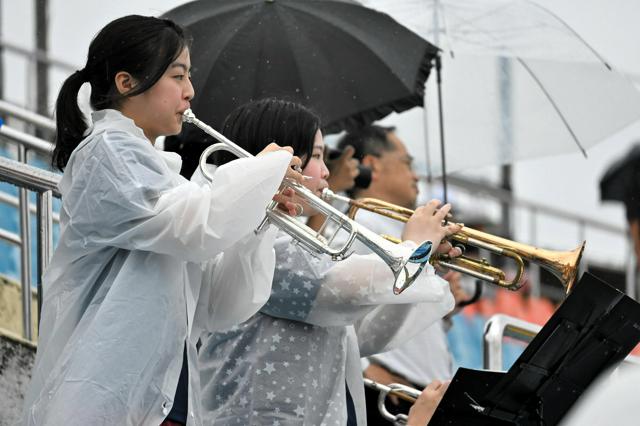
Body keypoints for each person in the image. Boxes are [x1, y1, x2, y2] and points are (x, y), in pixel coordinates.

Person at [22, 15, 302, 426]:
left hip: (151, 398)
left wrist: (258, 219)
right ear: (126, 83)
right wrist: (259, 172)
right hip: (99, 394)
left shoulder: (162, 173)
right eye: (178, 76)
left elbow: (220, 303)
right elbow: (196, 229)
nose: (190, 92)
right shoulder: (107, 153)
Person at [198, 98, 462, 425]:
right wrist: (415, 246)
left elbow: (363, 333)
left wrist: (421, 261)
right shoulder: (256, 235)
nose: (326, 172)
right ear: (284, 156)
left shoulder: (295, 240)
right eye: (319, 156)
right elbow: (339, 291)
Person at [337, 125, 467, 423]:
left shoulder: (403, 229)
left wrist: (442, 311)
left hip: (422, 392)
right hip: (391, 392)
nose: (417, 176)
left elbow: (392, 304)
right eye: (408, 163)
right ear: (372, 165)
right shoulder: (358, 226)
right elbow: (337, 309)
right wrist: (366, 366)